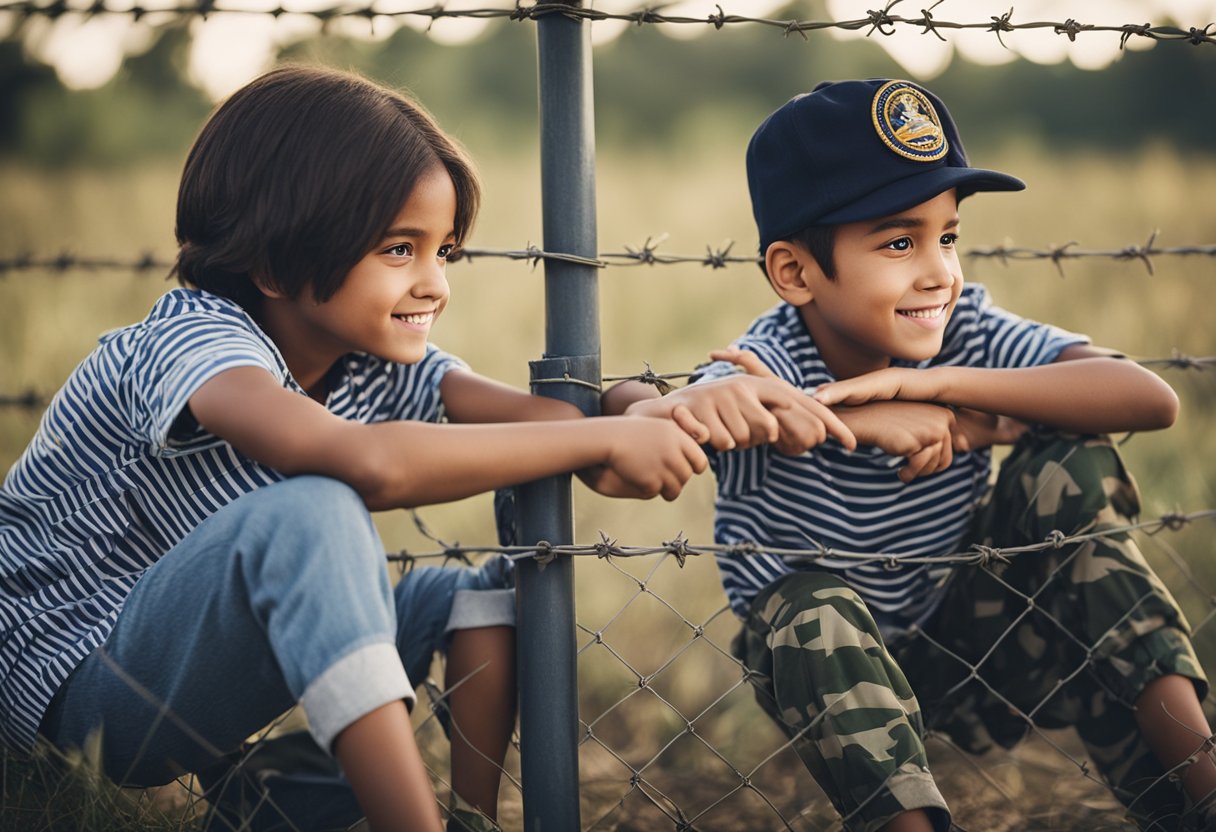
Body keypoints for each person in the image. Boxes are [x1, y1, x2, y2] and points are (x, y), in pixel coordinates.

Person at [0, 64, 740, 832]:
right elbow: (368, 465)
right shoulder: (191, 340)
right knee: (313, 513)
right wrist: (605, 435)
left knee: (478, 597)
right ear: (275, 260)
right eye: (399, 249)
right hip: (74, 696)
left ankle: (468, 820)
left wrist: (637, 409)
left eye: (444, 251)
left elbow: (549, 424)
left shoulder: (368, 359)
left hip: (185, 674)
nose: (435, 285)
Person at [606, 79, 1214, 831]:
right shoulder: (770, 361)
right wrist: (689, 405)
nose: (940, 272)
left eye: (948, 236)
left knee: (1072, 464)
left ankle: (1200, 788)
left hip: (979, 633)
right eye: (900, 242)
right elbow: (671, 421)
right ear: (795, 271)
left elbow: (1148, 398)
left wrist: (937, 392)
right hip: (832, 675)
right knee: (810, 605)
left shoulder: (966, 332)